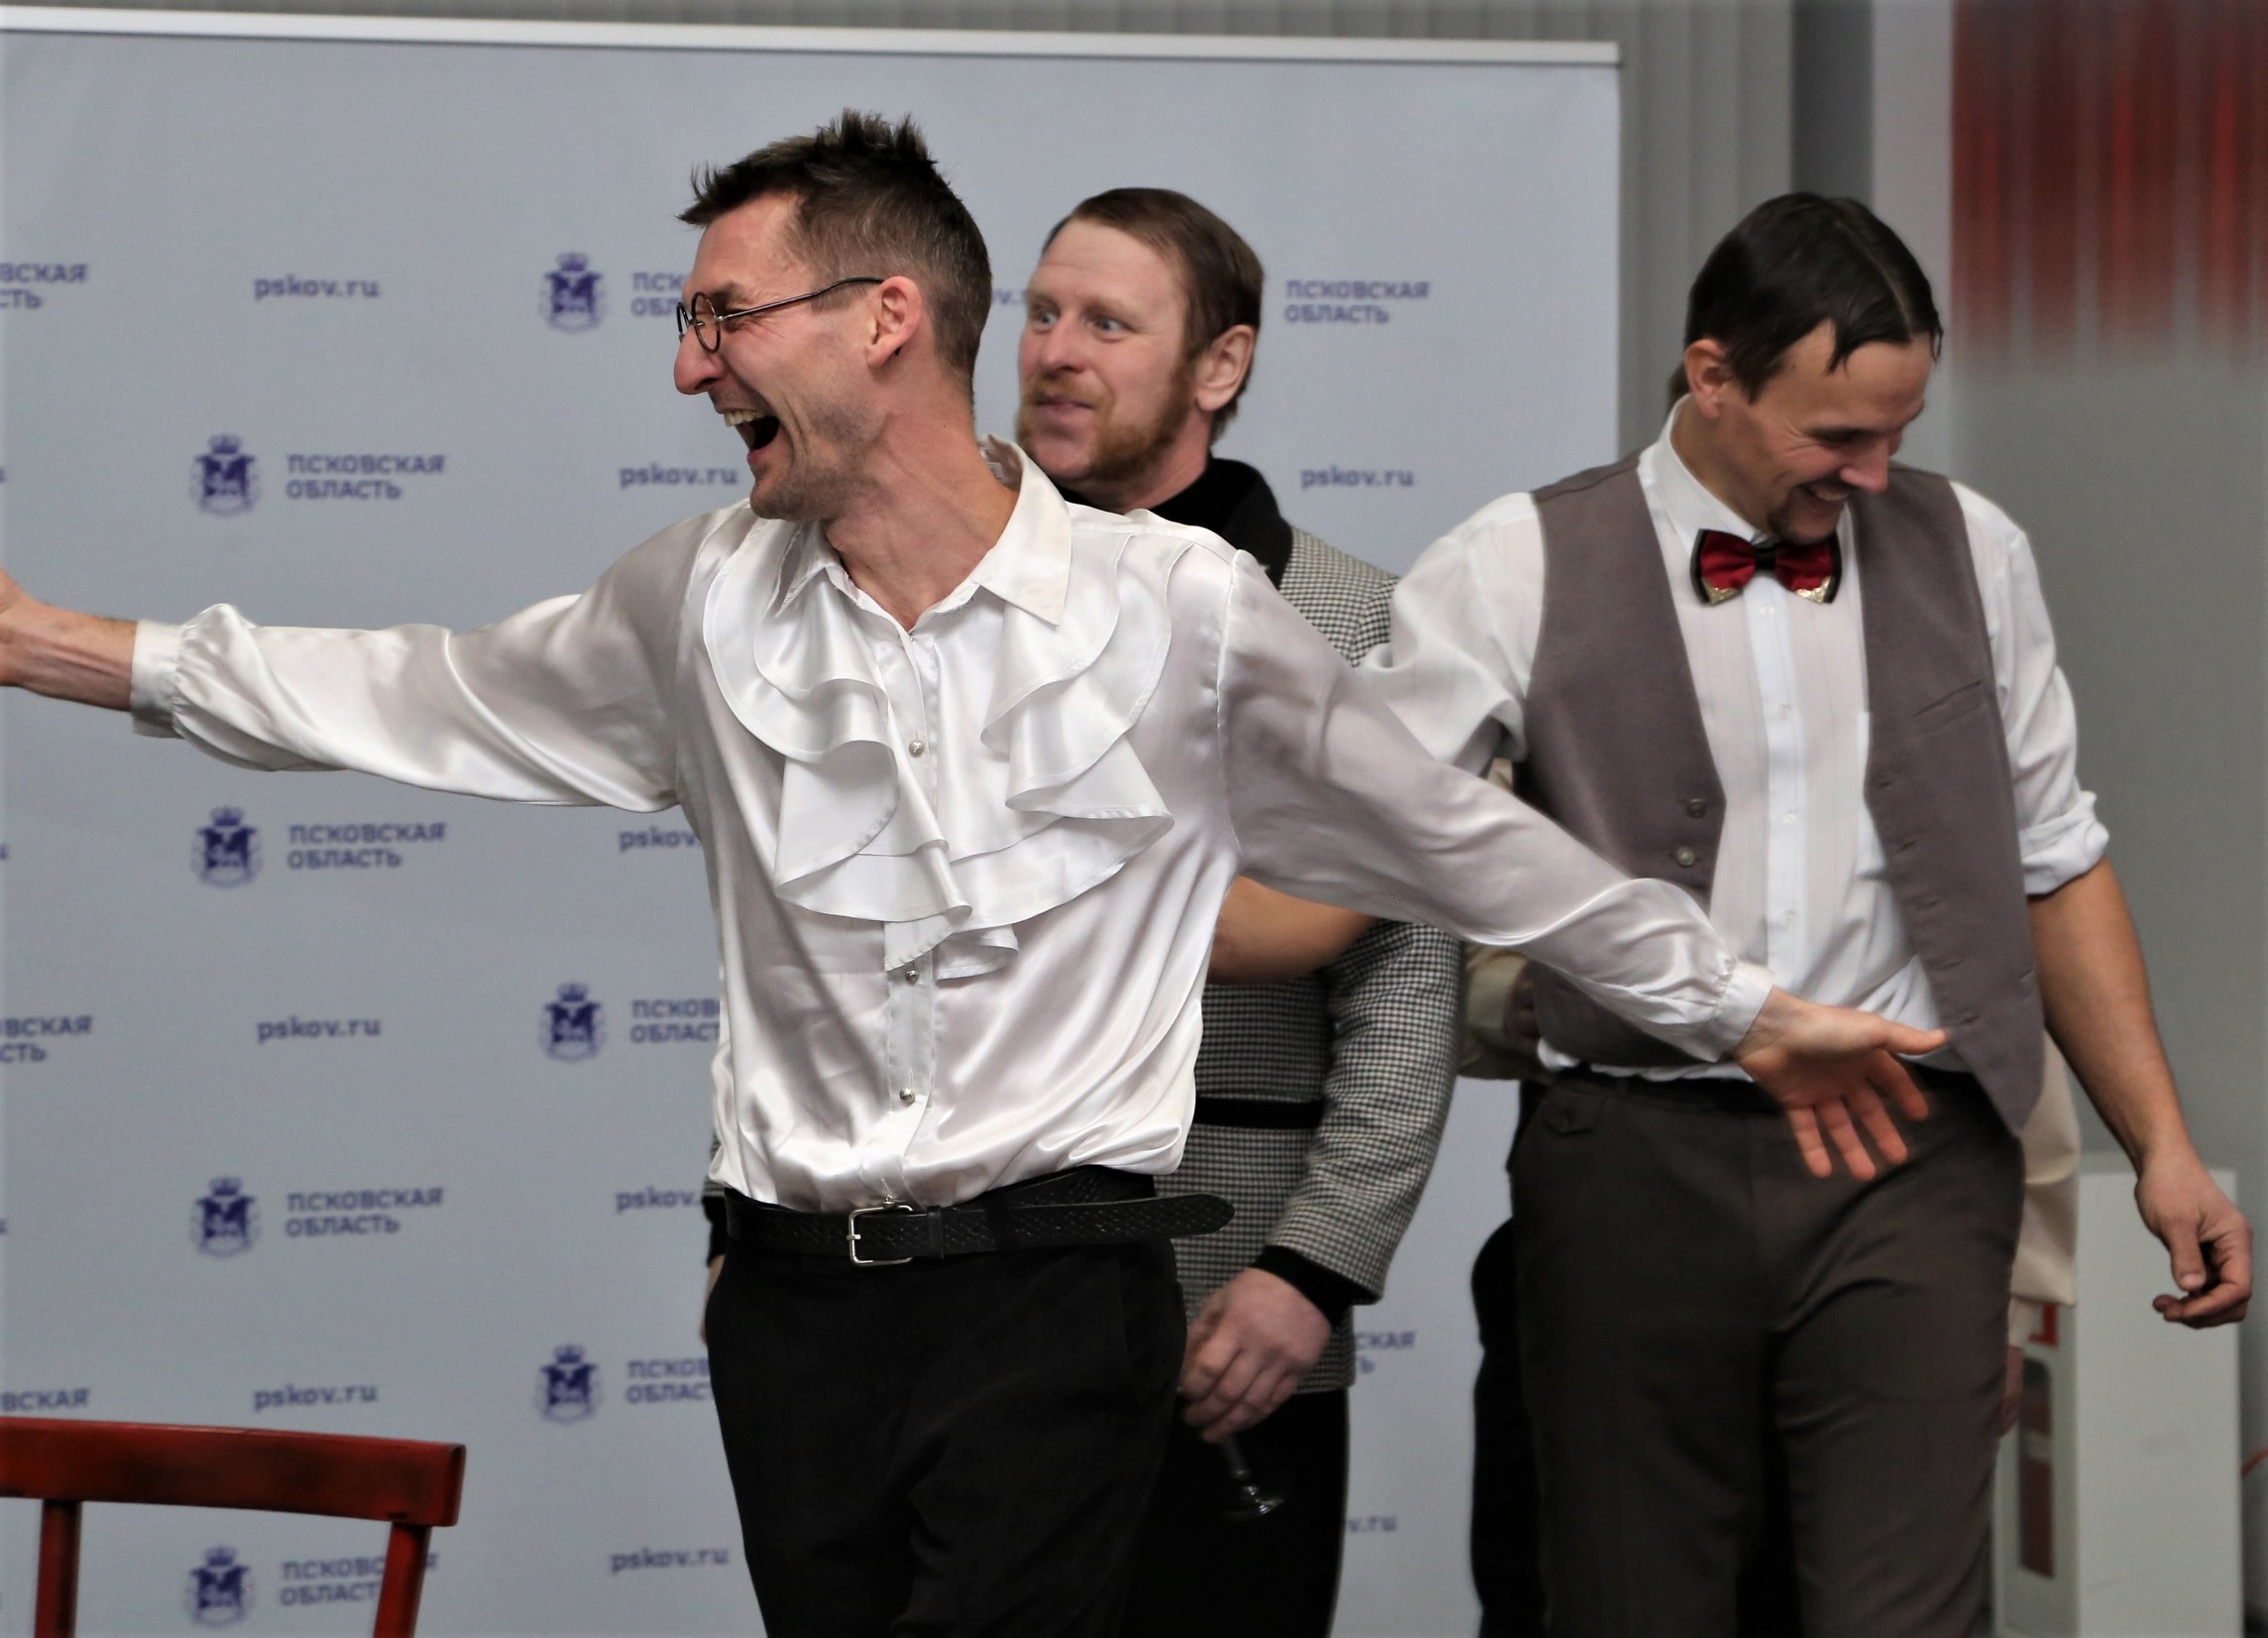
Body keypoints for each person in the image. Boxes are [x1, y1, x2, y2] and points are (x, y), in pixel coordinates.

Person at [0, 117, 1946, 1638]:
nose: (686, 369)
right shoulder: (695, 602)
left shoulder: (1175, 606)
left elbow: (1449, 838)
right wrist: (47, 643)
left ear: (880, 320)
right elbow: (401, 691)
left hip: (1054, 1297)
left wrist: (1739, 1009)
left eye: (721, 318)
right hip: (787, 1316)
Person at [1365, 192, 2251, 1637]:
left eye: (1899, 433)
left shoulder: (1978, 552)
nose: (1876, 475)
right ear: (1712, 375)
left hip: (1916, 1154)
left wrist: (2164, 1148)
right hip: (1634, 1153)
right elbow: (1377, 841)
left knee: (1907, 1614)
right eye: (1837, 437)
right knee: (1631, 1602)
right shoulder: (1509, 564)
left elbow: (2056, 860)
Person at [1013, 185, 1464, 1638]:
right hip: (966, 1303)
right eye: (1040, 313)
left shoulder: (1359, 626)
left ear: (1221, 365)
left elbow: (1410, 997)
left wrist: (1313, 1270)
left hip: (1238, 1302)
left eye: (1107, 323)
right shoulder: (944, 604)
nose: (1054, 351)